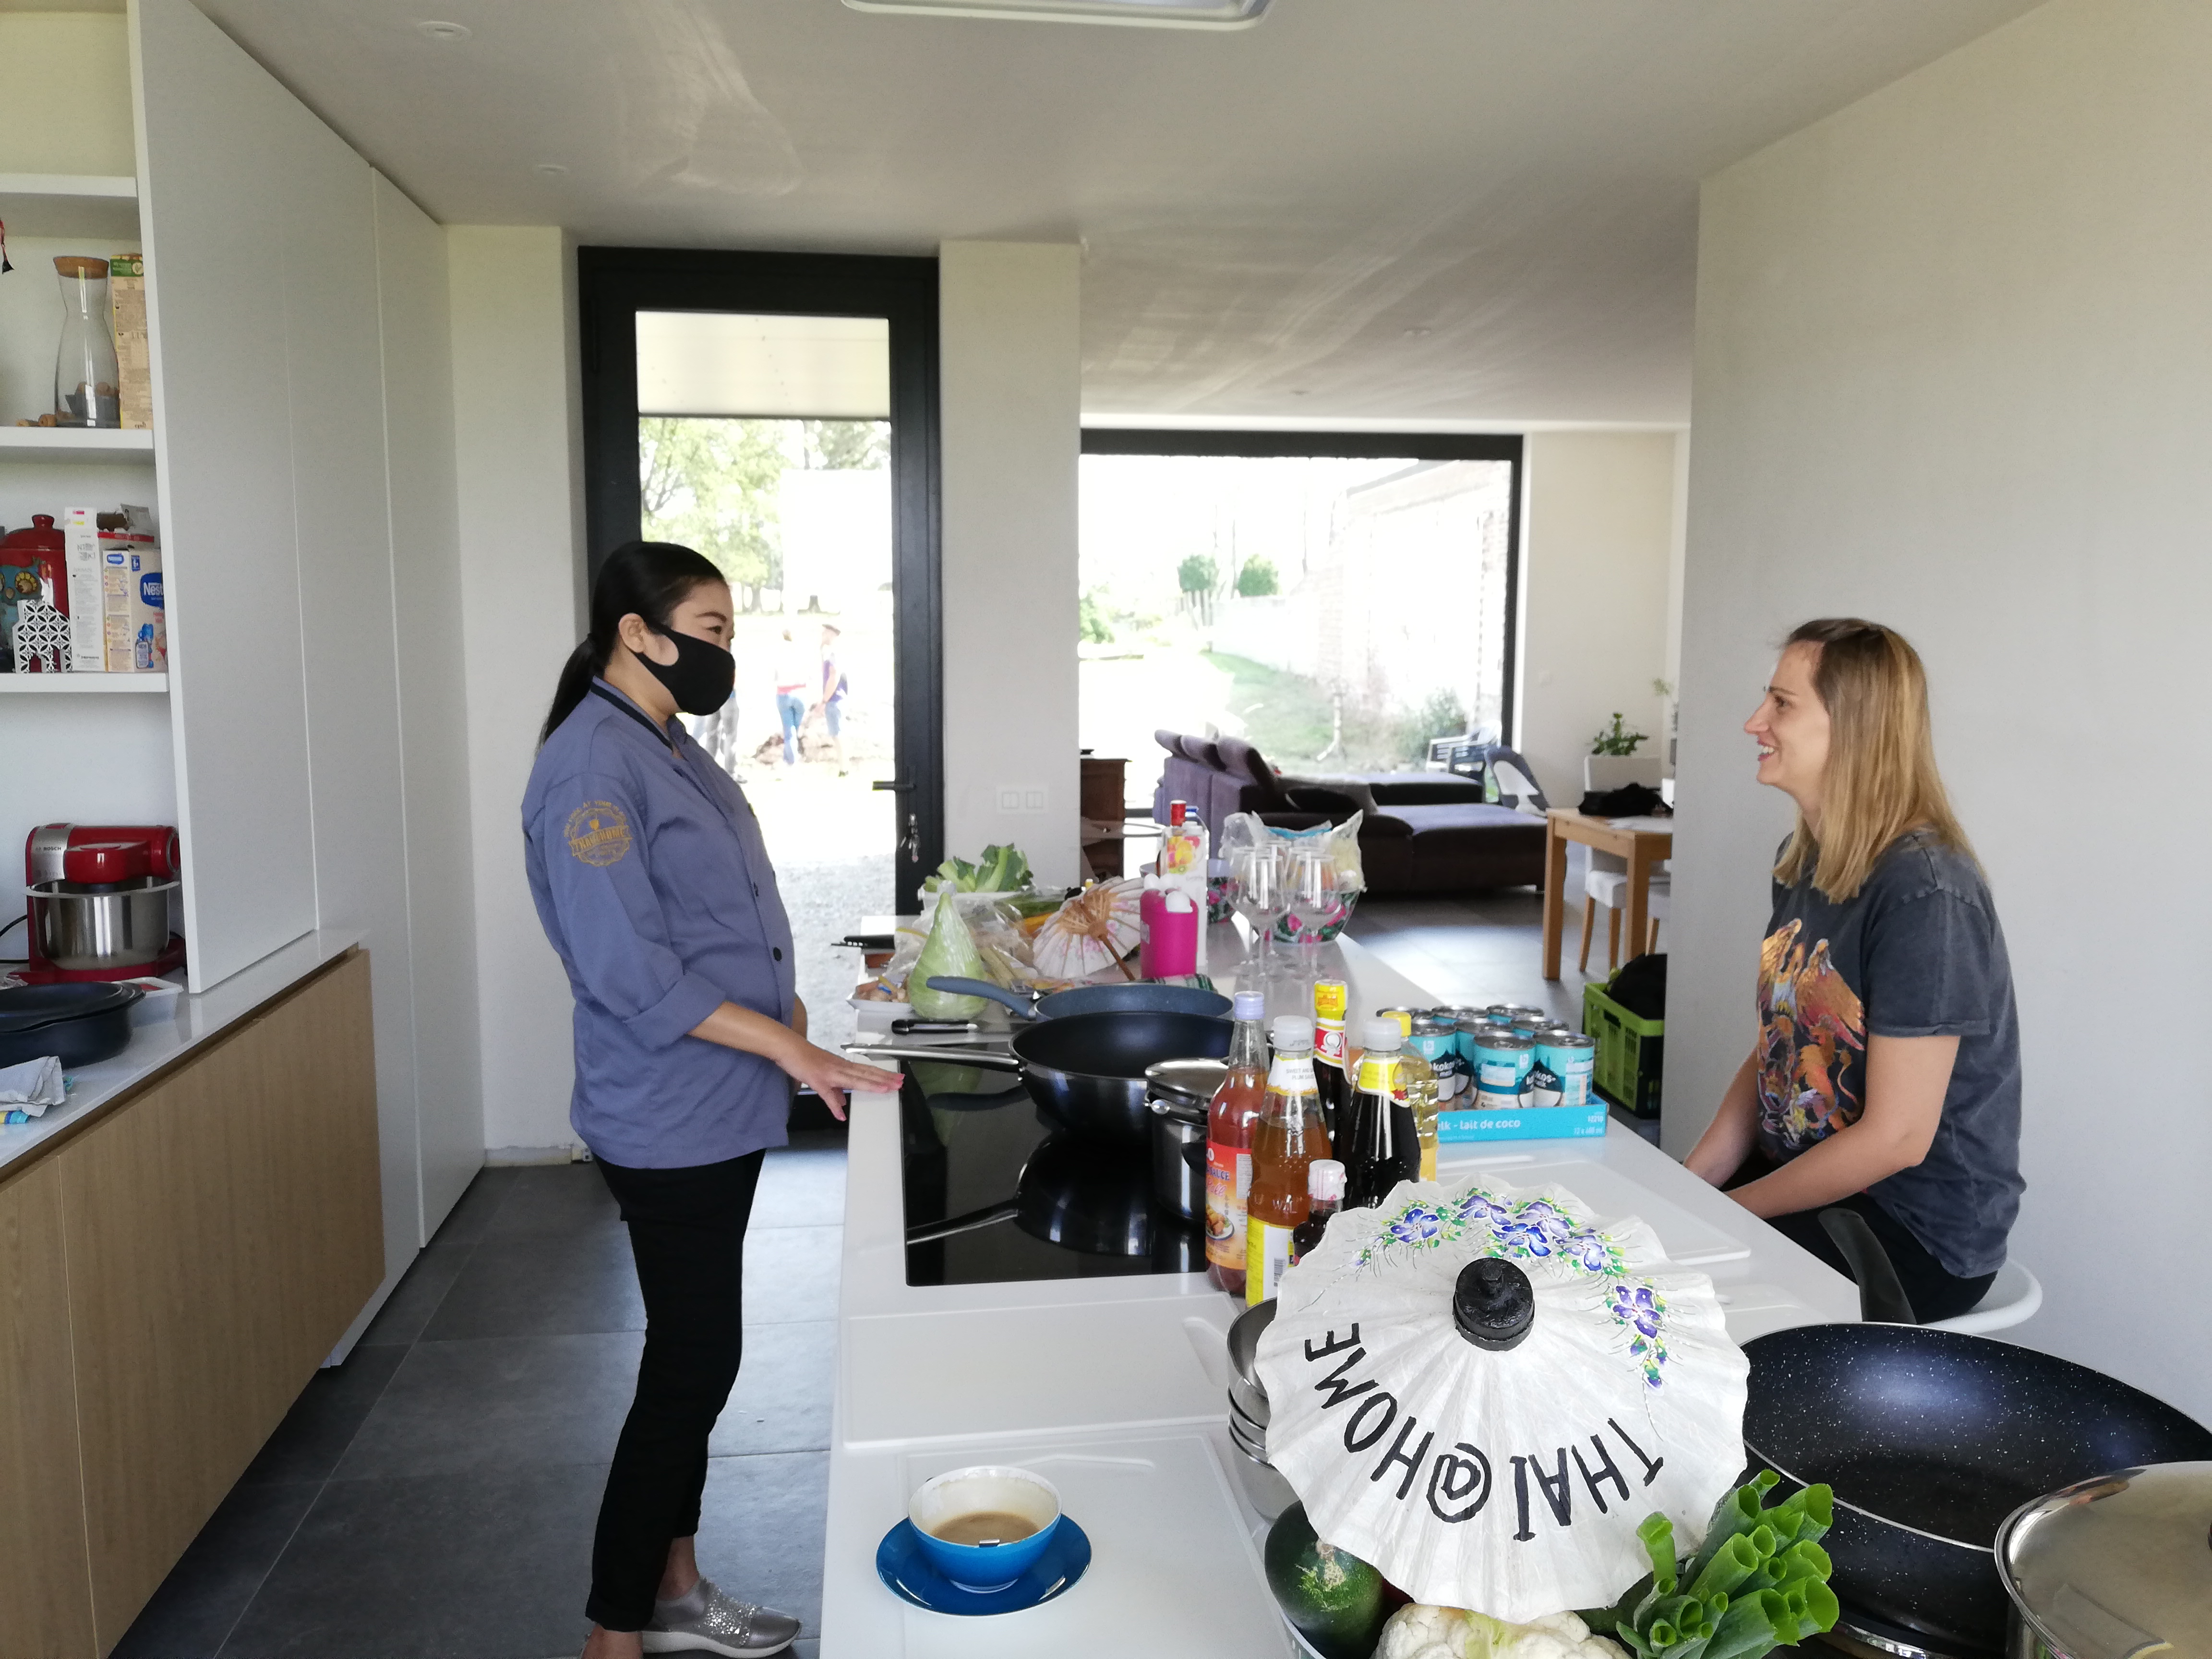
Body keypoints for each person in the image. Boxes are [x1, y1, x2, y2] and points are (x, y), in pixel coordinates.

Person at [525, 541, 900, 1659]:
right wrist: (796, 1049)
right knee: (691, 1366)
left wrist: (795, 1024)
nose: (724, 652)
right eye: (711, 629)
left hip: (716, 1100)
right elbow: (633, 974)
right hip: (667, 1111)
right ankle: (614, 1627)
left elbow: (722, 914)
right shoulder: (591, 770)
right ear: (637, 633)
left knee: (699, 1356)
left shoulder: (664, 740)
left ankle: (676, 1587)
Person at [1685, 617, 2022, 1322]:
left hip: (1911, 1232)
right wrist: (1691, 1185)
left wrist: (1729, 1212)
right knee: (1637, 1243)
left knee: (1665, 1301)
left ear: (1855, 728)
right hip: (1811, 1182)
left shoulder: (1927, 893)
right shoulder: (1805, 861)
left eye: (1782, 704)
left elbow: (1897, 1137)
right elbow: (1781, 1044)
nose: (1755, 722)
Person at [771, 628, 811, 768]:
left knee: (789, 731)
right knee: (796, 729)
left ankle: (791, 761)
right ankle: (789, 757)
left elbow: (774, 676)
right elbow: (809, 675)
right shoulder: (802, 651)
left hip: (784, 694)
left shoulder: (778, 652)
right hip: (800, 694)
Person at [812, 622, 847, 776]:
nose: (822, 634)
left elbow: (833, 678)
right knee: (837, 734)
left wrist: (824, 701)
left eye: (825, 632)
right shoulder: (830, 654)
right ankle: (844, 767)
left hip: (835, 699)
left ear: (832, 634)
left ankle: (844, 769)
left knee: (837, 735)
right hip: (835, 699)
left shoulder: (834, 655)